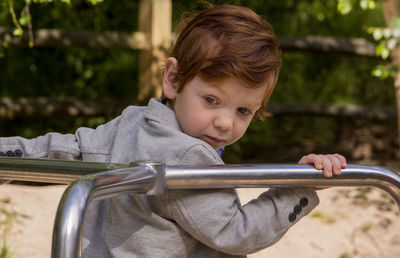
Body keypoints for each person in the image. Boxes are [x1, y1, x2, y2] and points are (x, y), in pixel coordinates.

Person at [0, 4, 346, 257]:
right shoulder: (187, 157)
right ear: (173, 79)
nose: (225, 122)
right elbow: (236, 233)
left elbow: (66, 149)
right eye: (212, 100)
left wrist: (7, 153)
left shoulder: (132, 123)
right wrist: (296, 187)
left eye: (243, 110)